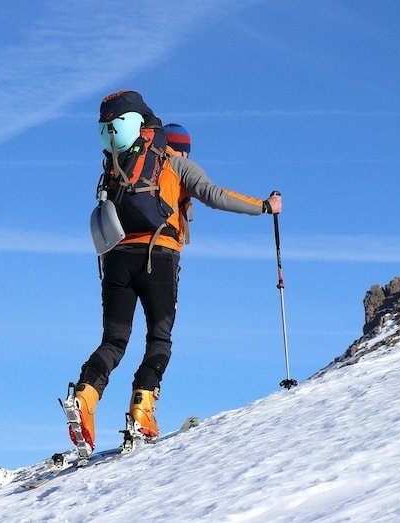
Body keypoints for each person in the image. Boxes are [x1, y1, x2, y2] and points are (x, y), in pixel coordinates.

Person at [69, 91, 282, 453]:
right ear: (182, 147)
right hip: (159, 258)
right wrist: (264, 206)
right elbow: (215, 194)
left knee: (114, 341)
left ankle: (85, 398)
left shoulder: (121, 162)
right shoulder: (177, 164)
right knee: (159, 339)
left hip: (116, 258)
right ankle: (141, 411)